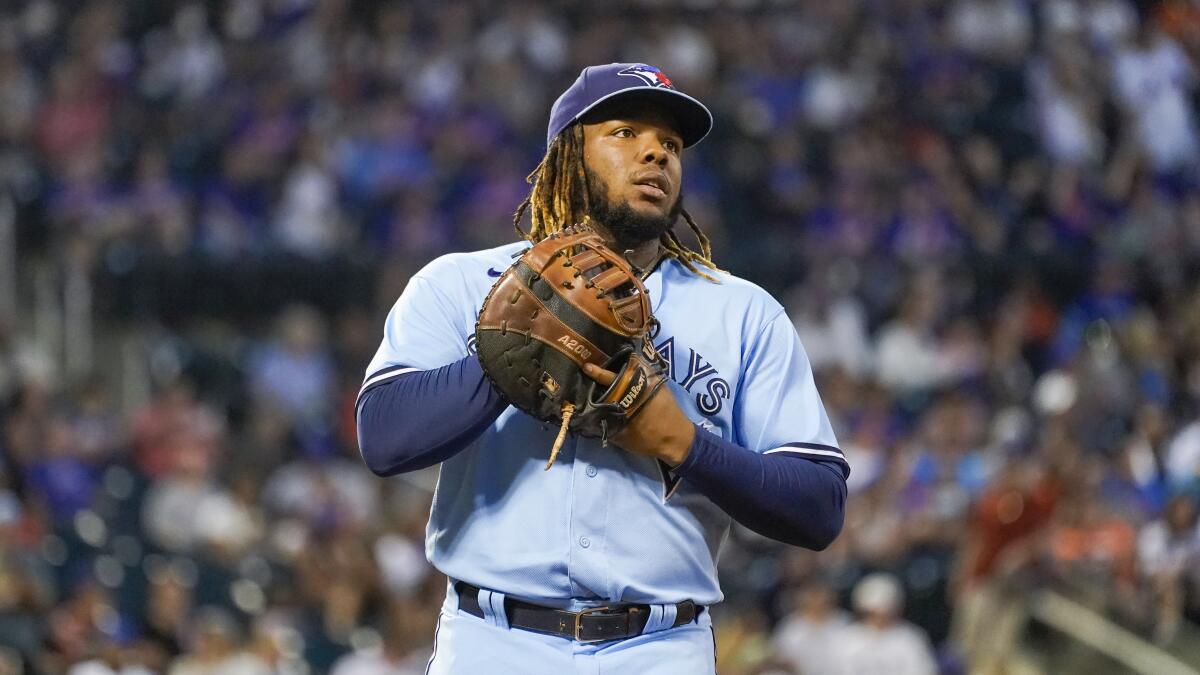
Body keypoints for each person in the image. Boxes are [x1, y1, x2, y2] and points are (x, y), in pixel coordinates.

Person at [356, 62, 849, 674]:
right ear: (568, 154)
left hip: (662, 647)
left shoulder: (743, 312)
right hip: (495, 642)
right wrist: (513, 354)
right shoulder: (460, 284)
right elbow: (384, 438)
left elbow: (820, 506)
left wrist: (685, 444)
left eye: (670, 145)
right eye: (625, 133)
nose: (656, 155)